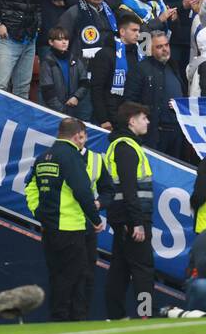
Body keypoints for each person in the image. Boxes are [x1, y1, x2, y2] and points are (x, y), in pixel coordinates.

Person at [25, 117, 103, 322]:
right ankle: (65, 321)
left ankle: (59, 319)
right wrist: (96, 220)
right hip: (71, 228)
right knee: (75, 277)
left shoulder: (43, 157)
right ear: (77, 135)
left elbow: (30, 187)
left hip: (49, 228)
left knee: (57, 276)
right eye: (82, 137)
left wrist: (38, 212)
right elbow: (82, 190)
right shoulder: (71, 156)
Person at [105, 102, 156, 320]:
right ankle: (146, 315)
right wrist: (136, 222)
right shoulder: (126, 147)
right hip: (132, 218)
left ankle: (115, 316)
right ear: (131, 121)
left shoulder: (122, 145)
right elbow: (129, 188)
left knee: (120, 268)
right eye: (144, 118)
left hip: (122, 216)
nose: (148, 122)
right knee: (143, 268)